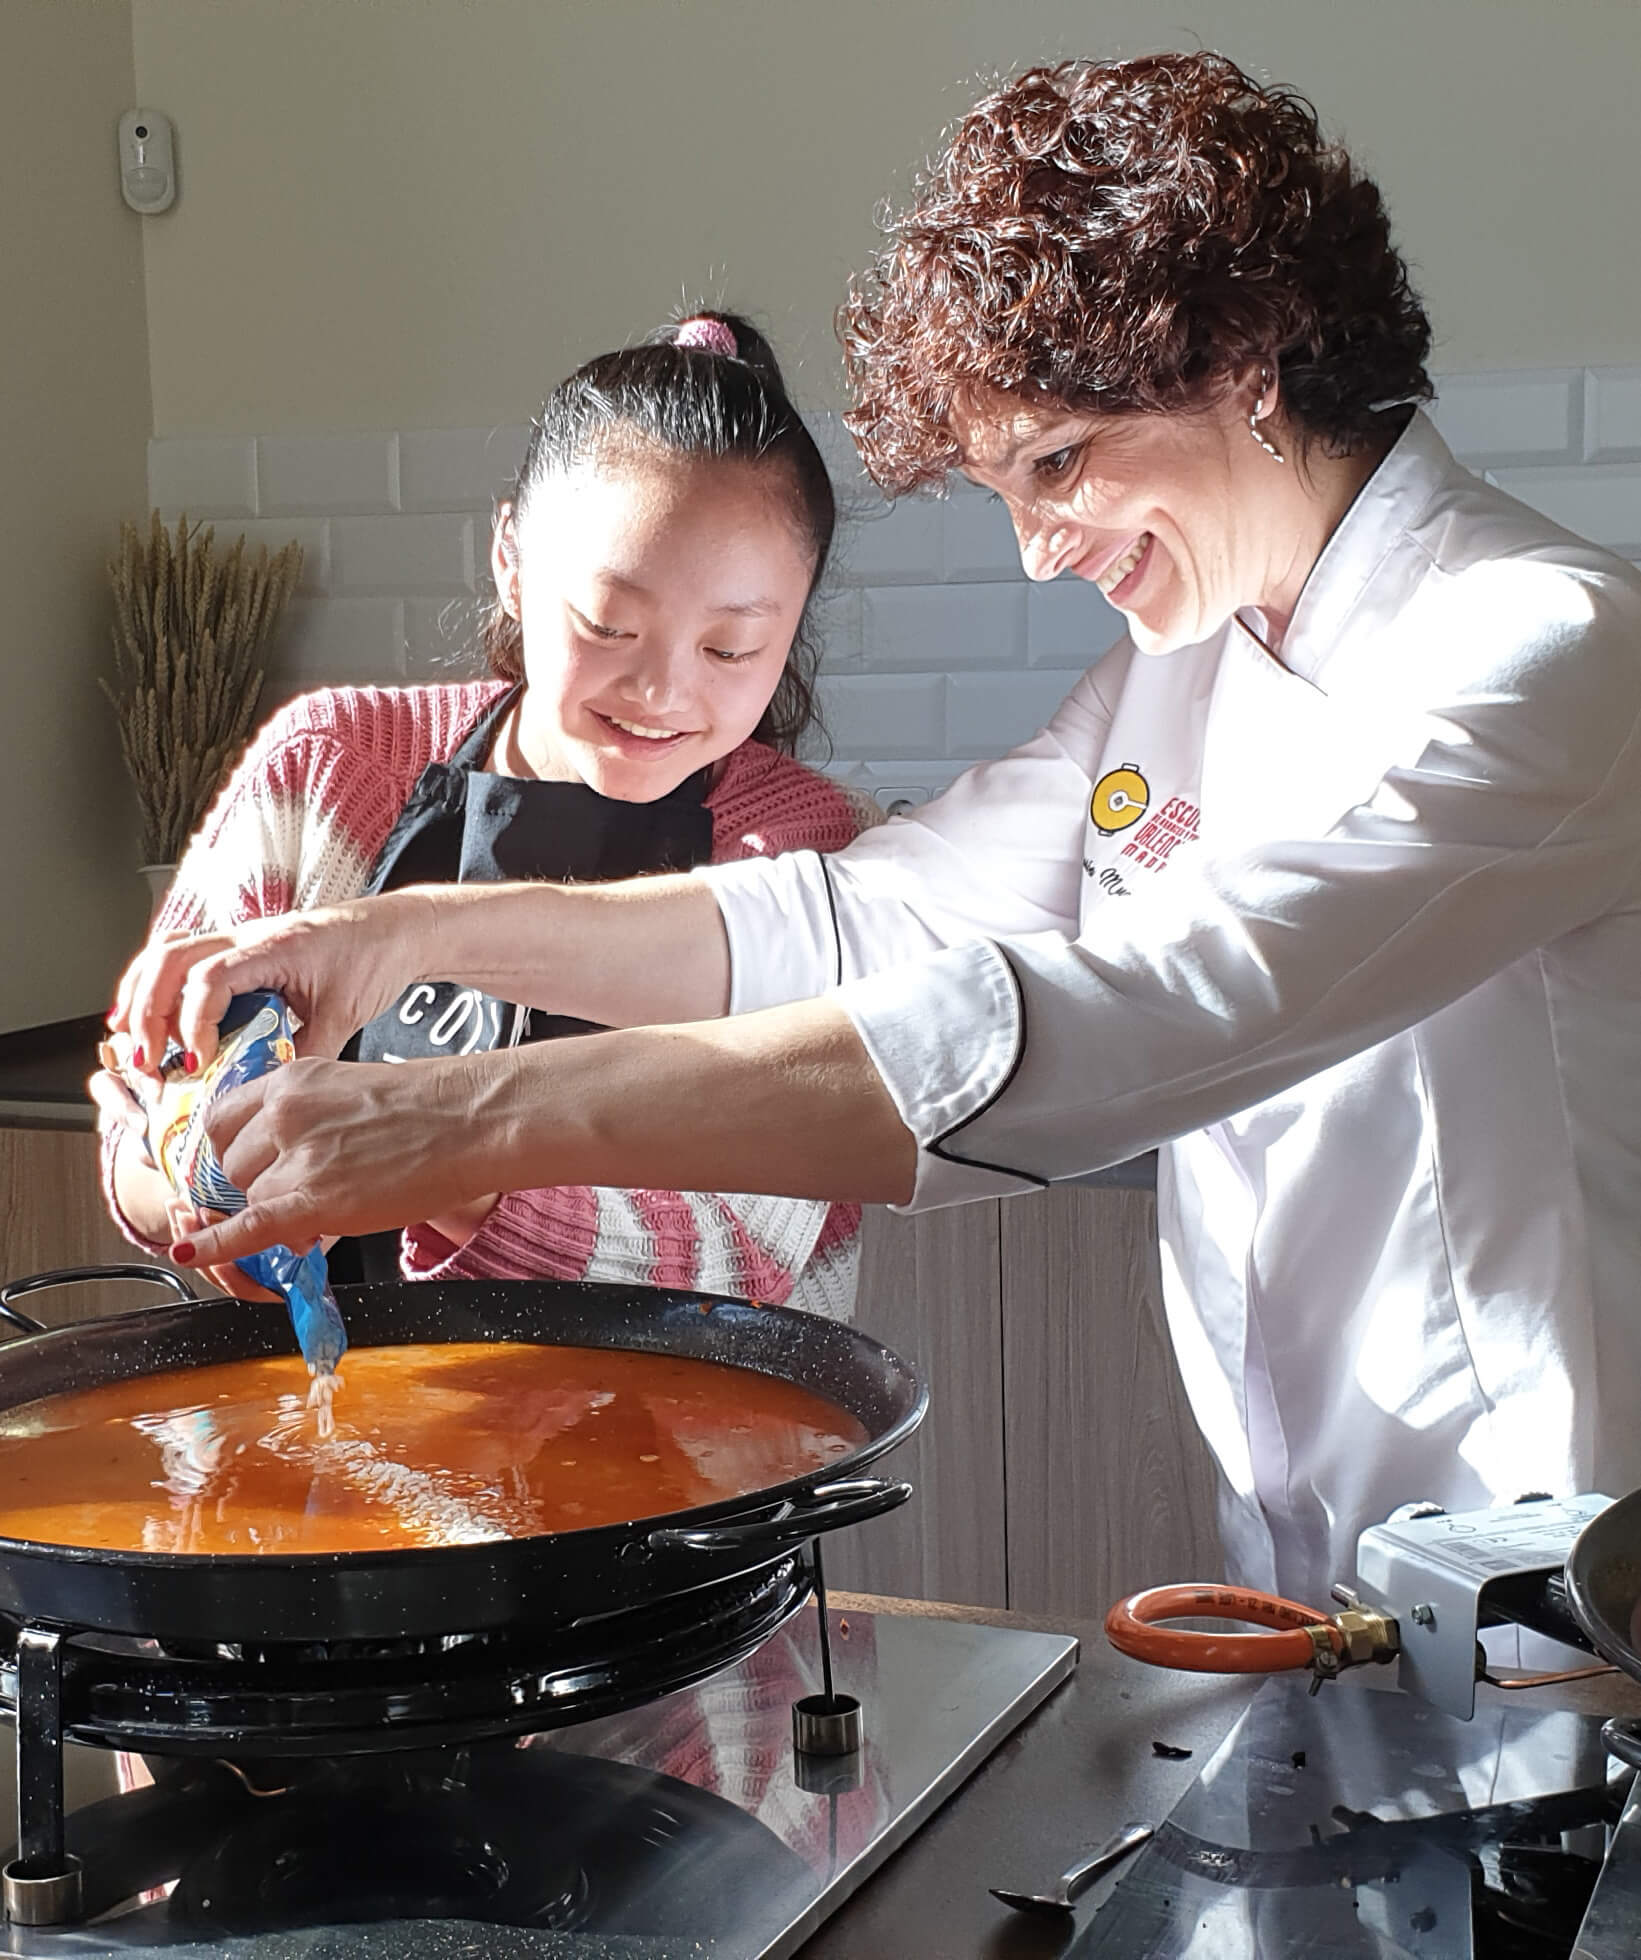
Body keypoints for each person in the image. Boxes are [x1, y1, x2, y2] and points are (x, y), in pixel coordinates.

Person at [113, 54, 1641, 1608]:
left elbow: (1152, 1016)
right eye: (1008, 492)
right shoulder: (1187, 671)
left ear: (1247, 358)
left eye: (1055, 465)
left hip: (1559, 1556)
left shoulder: (1546, 649)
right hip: (1311, 1566)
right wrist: (397, 935)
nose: (1042, 556)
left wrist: (460, 1122)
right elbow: (862, 918)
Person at [96, 310, 871, 1319]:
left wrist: (431, 1157)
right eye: (608, 624)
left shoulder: (808, 855)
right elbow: (140, 1110)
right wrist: (206, 1175)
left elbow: (743, 1251)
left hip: (709, 1447)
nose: (660, 689)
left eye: (729, 650)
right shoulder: (330, 765)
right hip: (356, 1435)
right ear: (510, 556)